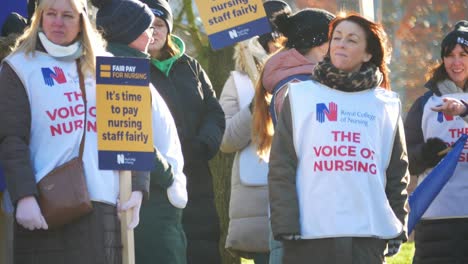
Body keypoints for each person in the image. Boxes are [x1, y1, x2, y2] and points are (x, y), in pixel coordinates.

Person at [0, 0, 156, 262]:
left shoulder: (110, 66)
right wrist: (23, 195)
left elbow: (134, 132)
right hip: (43, 206)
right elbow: (11, 138)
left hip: (103, 205)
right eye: (51, 14)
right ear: (39, 17)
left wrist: (138, 187)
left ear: (82, 20)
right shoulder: (18, 67)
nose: (58, 22)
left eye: (67, 15)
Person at [268, 14, 409, 263]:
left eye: (351, 40)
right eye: (336, 38)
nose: (341, 44)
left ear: (368, 53)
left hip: (367, 237)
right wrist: (286, 225)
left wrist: (398, 222)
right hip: (309, 237)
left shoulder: (386, 105)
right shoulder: (301, 96)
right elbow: (282, 167)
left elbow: (397, 172)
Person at [90, 0, 188, 263]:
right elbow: (130, 137)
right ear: (129, 32)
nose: (151, 34)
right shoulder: (120, 74)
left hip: (152, 198)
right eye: (146, 27)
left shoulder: (127, 68)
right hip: (151, 201)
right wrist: (169, 177)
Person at [139, 0, 225, 263]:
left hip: (196, 170)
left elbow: (214, 111)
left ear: (168, 29)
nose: (153, 32)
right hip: (155, 175)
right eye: (146, 26)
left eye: (159, 25)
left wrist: (203, 145)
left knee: (203, 242)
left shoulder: (191, 66)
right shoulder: (127, 67)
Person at [251, 8, 335, 264]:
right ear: (319, 44)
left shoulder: (306, 81)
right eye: (336, 38)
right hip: (302, 210)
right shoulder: (296, 88)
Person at [219, 1, 291, 263]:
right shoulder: (238, 83)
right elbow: (225, 140)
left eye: (283, 37)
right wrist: (255, 108)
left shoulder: (308, 76)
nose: (277, 44)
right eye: (272, 37)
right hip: (259, 195)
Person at [405, 20, 468, 264]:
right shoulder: (425, 104)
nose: (456, 62)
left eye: (463, 54)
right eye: (449, 55)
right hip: (436, 218)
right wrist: (427, 154)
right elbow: (405, 160)